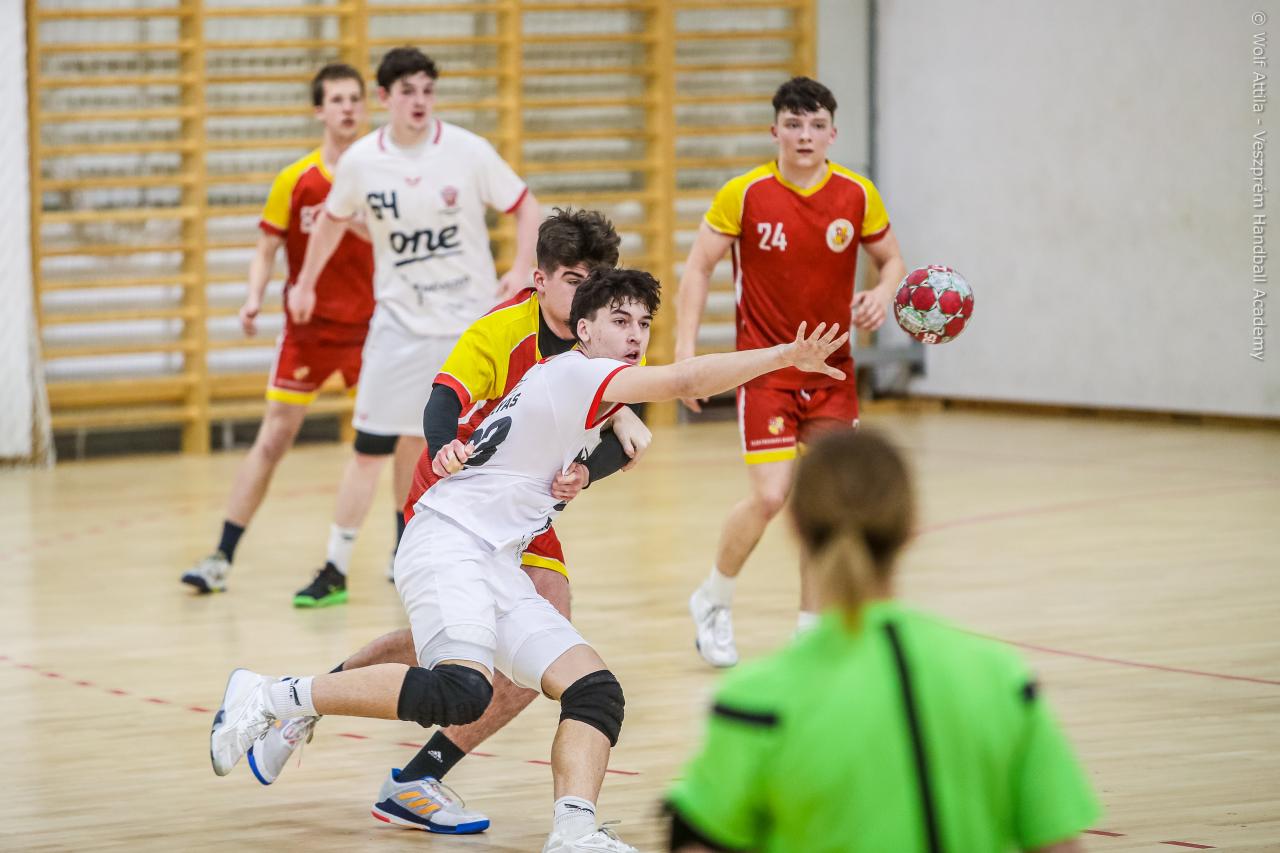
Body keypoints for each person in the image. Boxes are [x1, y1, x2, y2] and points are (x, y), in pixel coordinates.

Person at [208, 267, 850, 853]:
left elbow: (619, 436)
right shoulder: (578, 373)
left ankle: (574, 830)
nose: (635, 335)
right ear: (584, 329)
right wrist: (783, 357)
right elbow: (683, 381)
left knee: (595, 692)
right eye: (620, 321)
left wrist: (595, 460)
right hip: (448, 540)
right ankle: (272, 695)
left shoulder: (586, 386)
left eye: (643, 323)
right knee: (461, 689)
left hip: (495, 558)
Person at [241, 209, 650, 838]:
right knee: (476, 640)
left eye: (595, 281)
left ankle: (407, 773)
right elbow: (443, 400)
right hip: (455, 488)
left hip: (523, 506)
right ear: (540, 279)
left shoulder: (609, 330)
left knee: (511, 647)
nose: (585, 294)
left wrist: (586, 472)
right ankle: (310, 706)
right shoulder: (502, 331)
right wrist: (441, 448)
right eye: (573, 280)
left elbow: (628, 433)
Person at [664, 430, 1099, 853]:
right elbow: (1060, 844)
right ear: (911, 527)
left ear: (794, 528)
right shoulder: (1003, 679)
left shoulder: (755, 701)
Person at [286, 46, 540, 607]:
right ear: (385, 98)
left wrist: (522, 268)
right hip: (399, 328)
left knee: (466, 450)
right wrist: (304, 283)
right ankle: (335, 567)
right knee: (371, 448)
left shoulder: (468, 151)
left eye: (428, 89)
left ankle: (441, 553)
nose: (420, 101)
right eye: (407, 91)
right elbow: (331, 223)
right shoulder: (361, 162)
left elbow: (527, 206)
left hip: (467, 330)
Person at [675, 76, 908, 666]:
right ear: (774, 130)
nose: (805, 135)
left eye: (816, 125)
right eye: (794, 124)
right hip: (767, 370)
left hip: (833, 373)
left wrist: (883, 292)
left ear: (833, 133)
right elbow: (698, 266)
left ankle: (810, 631)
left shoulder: (857, 194)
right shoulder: (745, 194)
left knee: (826, 503)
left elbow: (892, 261)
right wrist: (685, 354)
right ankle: (713, 599)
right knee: (773, 496)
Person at [181, 63, 373, 594]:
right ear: (319, 111)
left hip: (372, 328)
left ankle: (405, 550)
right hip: (309, 330)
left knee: (401, 438)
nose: (348, 108)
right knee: (273, 439)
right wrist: (252, 299)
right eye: (337, 100)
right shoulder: (296, 180)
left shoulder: (380, 176)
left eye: (355, 99)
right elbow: (266, 248)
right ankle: (221, 555)